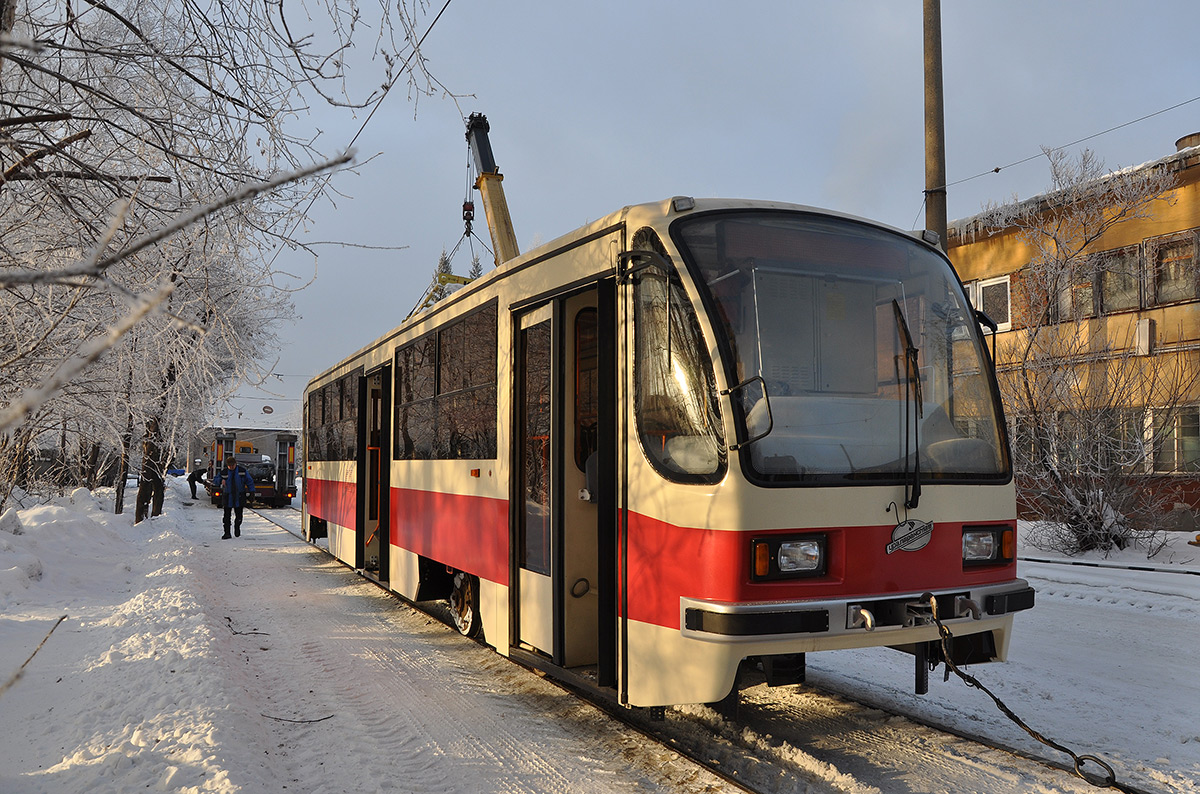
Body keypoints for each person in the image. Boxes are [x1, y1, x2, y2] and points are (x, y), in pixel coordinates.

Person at [213, 455, 255, 539]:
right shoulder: (223, 472)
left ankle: (237, 527)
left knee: (239, 515)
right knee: (226, 517)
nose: (231, 467)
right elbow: (215, 480)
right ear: (227, 465)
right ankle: (227, 533)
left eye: (233, 465)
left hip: (239, 496)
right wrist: (221, 480)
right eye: (229, 466)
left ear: (236, 464)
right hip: (228, 496)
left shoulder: (242, 471)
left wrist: (252, 492)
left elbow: (249, 481)